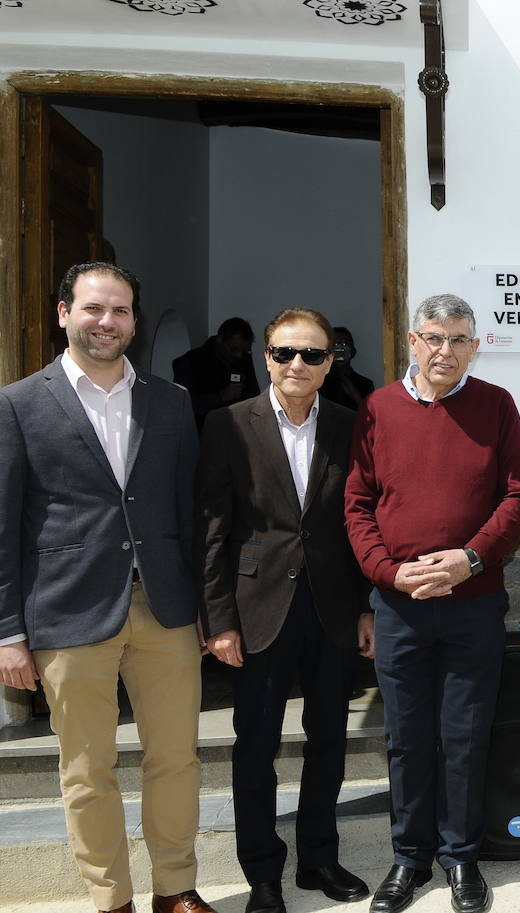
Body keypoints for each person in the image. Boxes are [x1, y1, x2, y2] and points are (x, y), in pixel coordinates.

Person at [0, 262, 218, 913]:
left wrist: (210, 608)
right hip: (68, 611)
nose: (107, 321)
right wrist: (9, 629)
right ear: (64, 311)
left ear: (134, 320)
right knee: (87, 770)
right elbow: (5, 524)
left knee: (176, 757)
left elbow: (190, 510)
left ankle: (175, 887)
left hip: (167, 609)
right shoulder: (19, 403)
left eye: (120, 310)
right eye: (94, 308)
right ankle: (110, 898)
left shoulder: (169, 399)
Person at [345, 294, 520, 913]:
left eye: (458, 340)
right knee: (406, 739)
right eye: (433, 338)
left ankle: (460, 859)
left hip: (472, 603)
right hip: (400, 606)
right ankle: (409, 858)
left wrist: (468, 560)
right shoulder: (377, 407)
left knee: (464, 735)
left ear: (474, 347)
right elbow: (358, 504)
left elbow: (518, 499)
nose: (444, 351)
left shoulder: (496, 406)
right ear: (412, 340)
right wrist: (392, 574)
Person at [195, 308, 374, 913]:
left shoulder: (352, 425)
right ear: (265, 356)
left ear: (330, 362)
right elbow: (212, 530)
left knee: (329, 738)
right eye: (283, 353)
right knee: (256, 745)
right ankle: (263, 874)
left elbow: (365, 523)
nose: (297, 365)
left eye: (312, 355)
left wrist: (368, 608)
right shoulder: (227, 424)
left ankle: (319, 859)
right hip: (256, 609)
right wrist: (218, 621)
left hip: (334, 608)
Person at [174, 316, 261, 432]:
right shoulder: (191, 362)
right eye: (234, 350)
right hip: (203, 436)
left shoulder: (244, 359)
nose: (239, 355)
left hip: (238, 436)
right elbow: (182, 406)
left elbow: (254, 395)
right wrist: (222, 396)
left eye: (244, 351)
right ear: (220, 339)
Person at [319, 325, 376, 410]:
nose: (340, 349)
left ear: (353, 352)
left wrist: (356, 397)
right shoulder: (319, 383)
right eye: (335, 344)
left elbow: (370, 416)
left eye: (344, 343)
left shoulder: (365, 385)